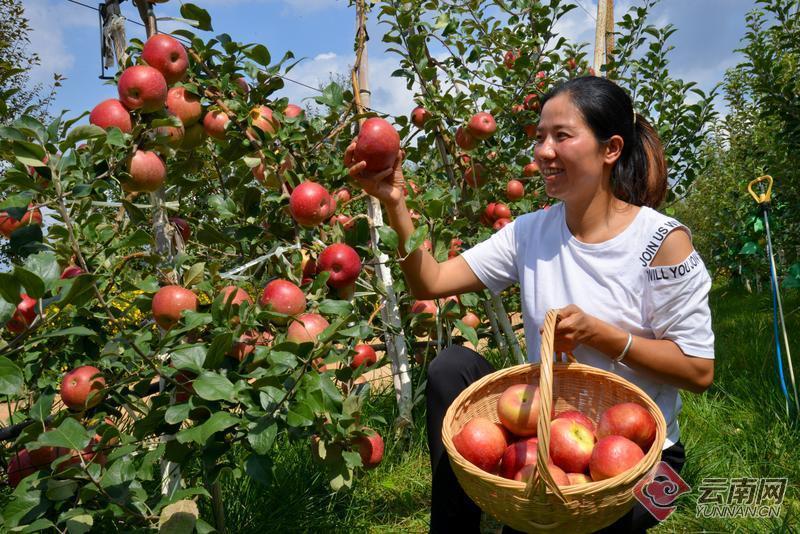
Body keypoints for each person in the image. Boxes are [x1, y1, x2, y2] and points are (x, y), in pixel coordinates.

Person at [344, 76, 715, 533]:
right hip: (548, 435)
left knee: (593, 521)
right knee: (450, 367)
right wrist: (395, 204)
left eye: (561, 136)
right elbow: (430, 281)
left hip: (651, 461)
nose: (543, 151)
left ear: (611, 149)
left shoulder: (662, 241)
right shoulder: (530, 233)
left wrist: (604, 336)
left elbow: (699, 371)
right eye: (540, 137)